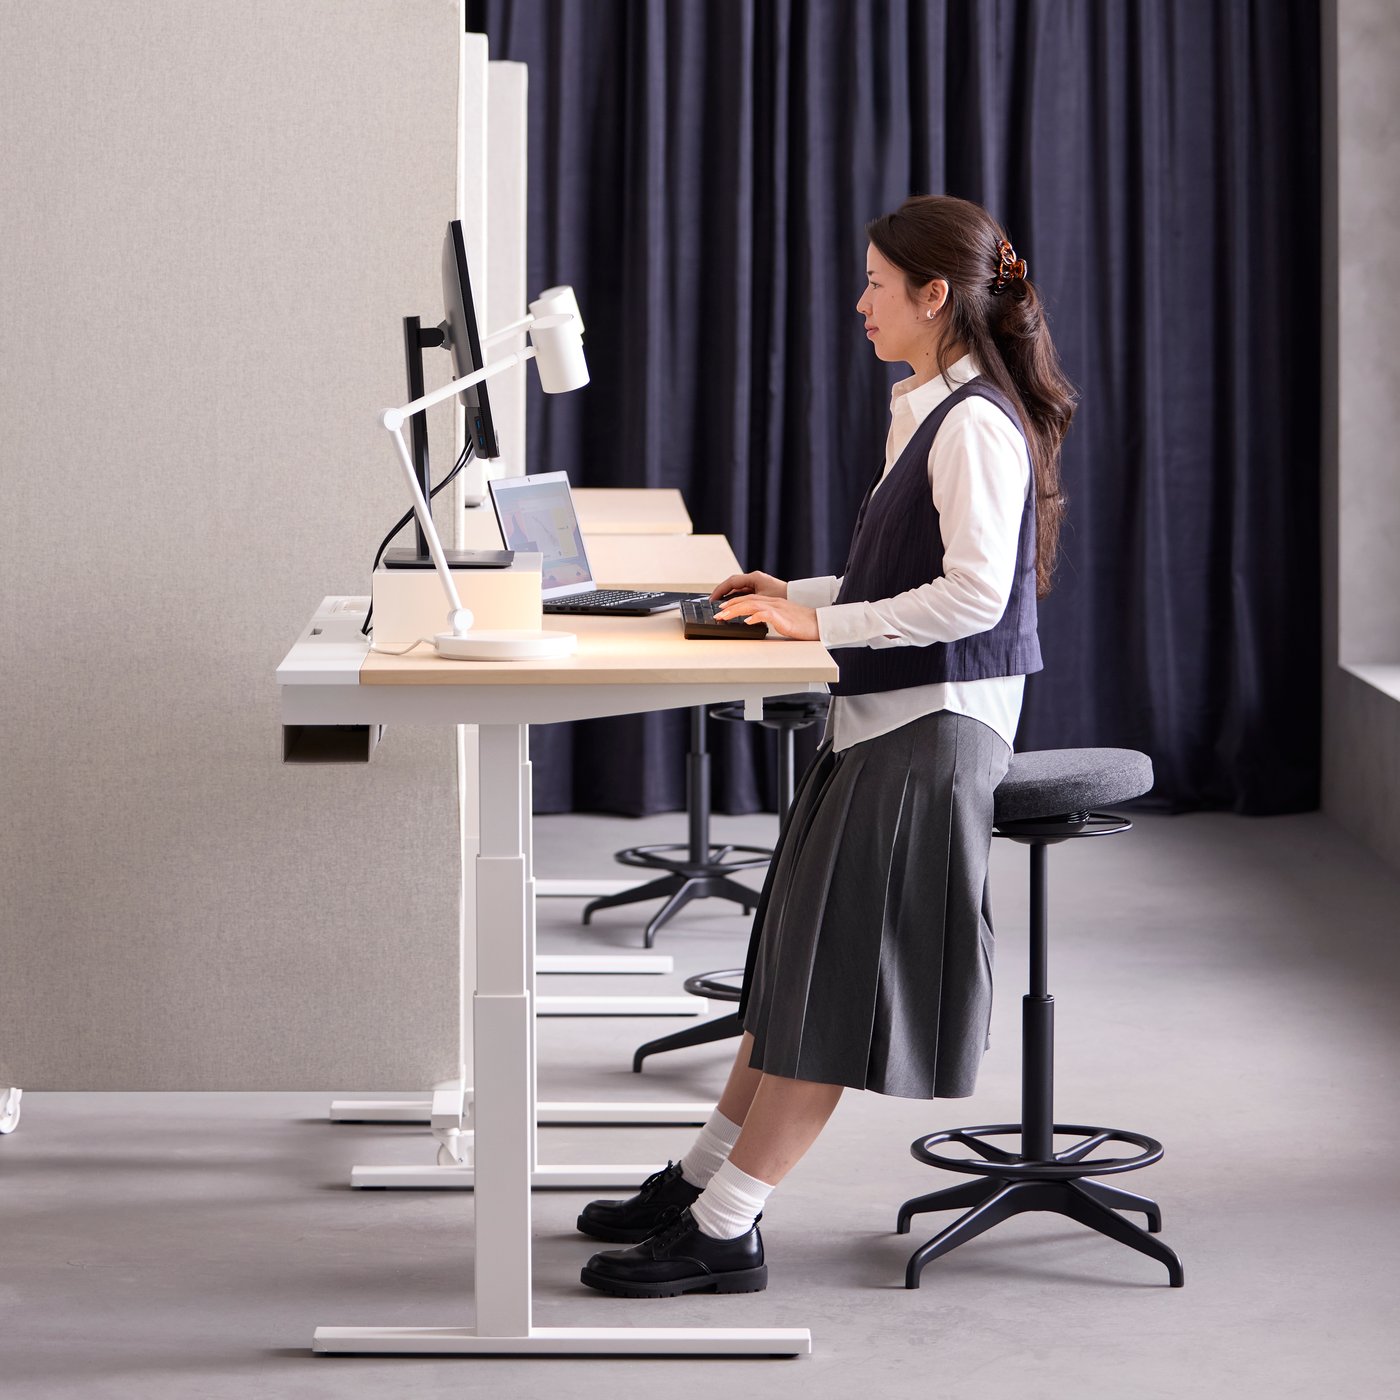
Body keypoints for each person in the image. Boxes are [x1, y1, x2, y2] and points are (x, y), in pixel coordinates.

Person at [578, 194, 1075, 1299]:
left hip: (935, 734)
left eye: (873, 285)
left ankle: (727, 1226)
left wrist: (819, 624)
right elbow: (895, 583)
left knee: (833, 989)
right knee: (790, 976)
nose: (857, 304)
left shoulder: (977, 425)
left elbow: (968, 597)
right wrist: (789, 594)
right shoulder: (924, 407)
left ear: (931, 295)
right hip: (883, 720)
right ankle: (699, 1180)